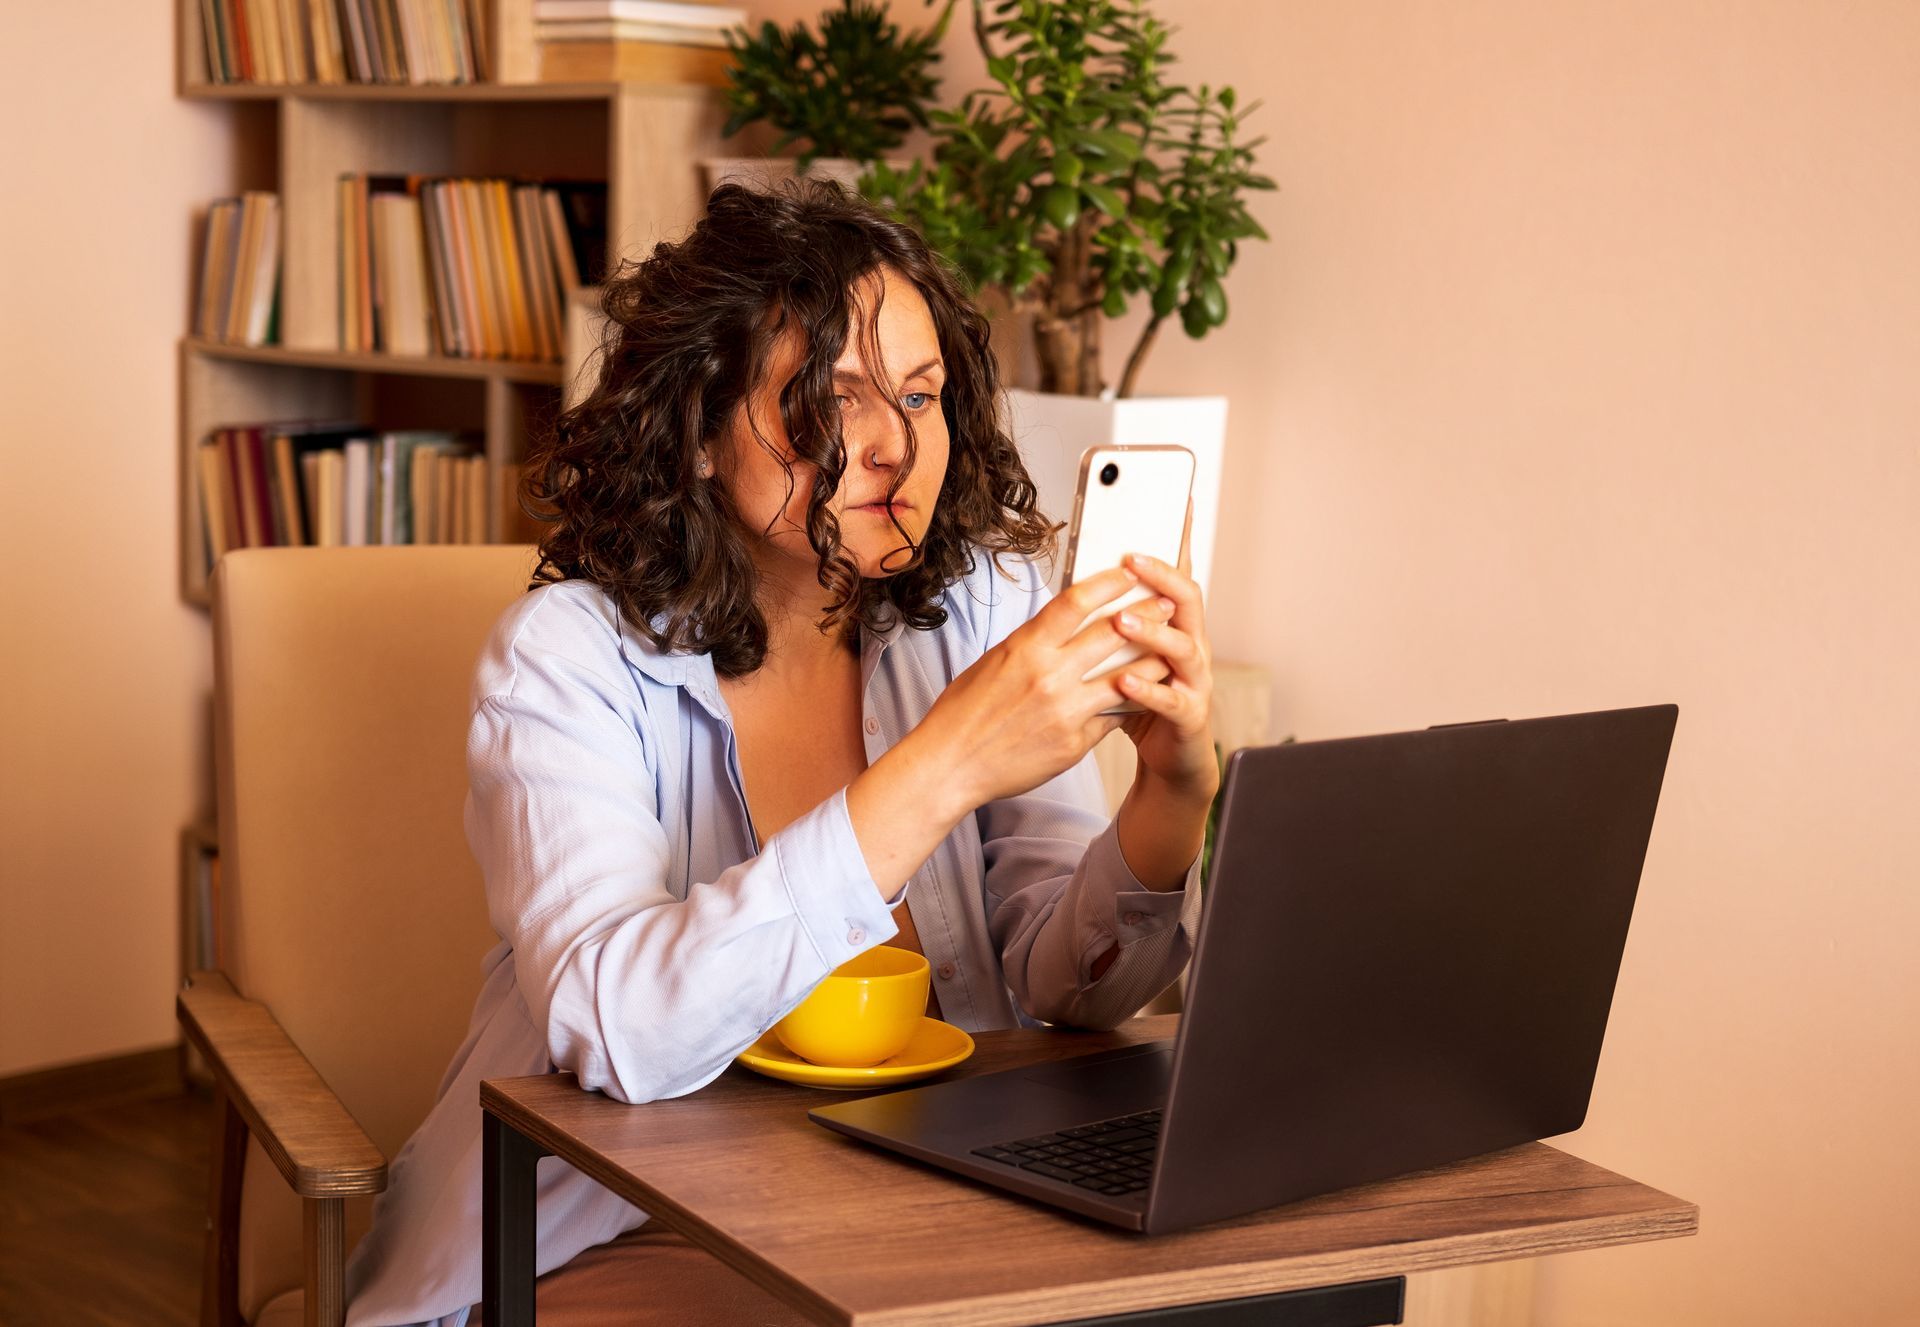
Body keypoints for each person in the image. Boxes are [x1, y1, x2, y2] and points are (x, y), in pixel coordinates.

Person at [344, 181, 1217, 1325]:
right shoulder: (564, 660)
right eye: (829, 399)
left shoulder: (979, 607)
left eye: (920, 395)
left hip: (917, 1209)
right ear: (699, 430)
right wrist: (946, 759)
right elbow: (619, 1028)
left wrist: (1169, 795)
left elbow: (1064, 989)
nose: (892, 449)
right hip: (609, 1231)